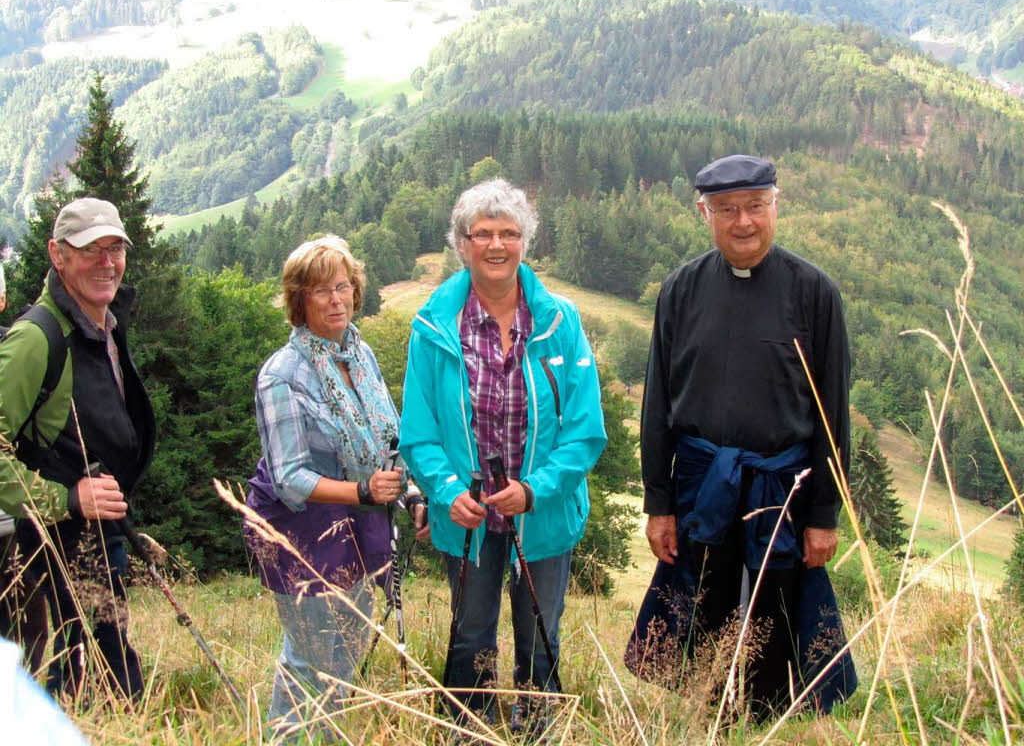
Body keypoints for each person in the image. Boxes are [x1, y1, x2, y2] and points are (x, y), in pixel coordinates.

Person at [626, 155, 857, 716]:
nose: (744, 221)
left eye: (755, 206)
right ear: (704, 212)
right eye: (727, 210)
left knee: (780, 620)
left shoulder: (814, 292)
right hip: (702, 488)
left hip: (785, 490)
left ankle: (774, 722)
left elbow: (833, 413)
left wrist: (825, 514)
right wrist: (658, 503)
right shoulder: (680, 290)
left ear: (776, 205)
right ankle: (711, 714)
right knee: (703, 609)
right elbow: (658, 403)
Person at [400, 178, 607, 733]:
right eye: (483, 233)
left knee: (540, 637)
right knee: (470, 634)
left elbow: (586, 430)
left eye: (509, 233)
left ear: (524, 242)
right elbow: (418, 432)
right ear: (461, 244)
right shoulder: (431, 328)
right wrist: (445, 491)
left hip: (542, 511)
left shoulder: (561, 322)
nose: (497, 245)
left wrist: (535, 488)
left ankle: (535, 731)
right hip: (465, 515)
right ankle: (468, 732)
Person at [246, 235, 426, 732]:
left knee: (345, 655)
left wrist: (408, 493)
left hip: (361, 522)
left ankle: (326, 737)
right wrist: (363, 493)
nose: (336, 300)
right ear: (298, 300)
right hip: (305, 529)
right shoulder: (283, 374)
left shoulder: (359, 355)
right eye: (322, 290)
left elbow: (385, 437)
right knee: (308, 661)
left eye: (343, 286)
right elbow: (289, 478)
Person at [0, 197, 155, 700]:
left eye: (116, 248)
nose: (107, 262)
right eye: (91, 249)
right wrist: (65, 500)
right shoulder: (35, 338)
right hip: (56, 537)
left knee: (100, 664)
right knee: (90, 672)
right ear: (57, 255)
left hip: (98, 527)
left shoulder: (102, 325)